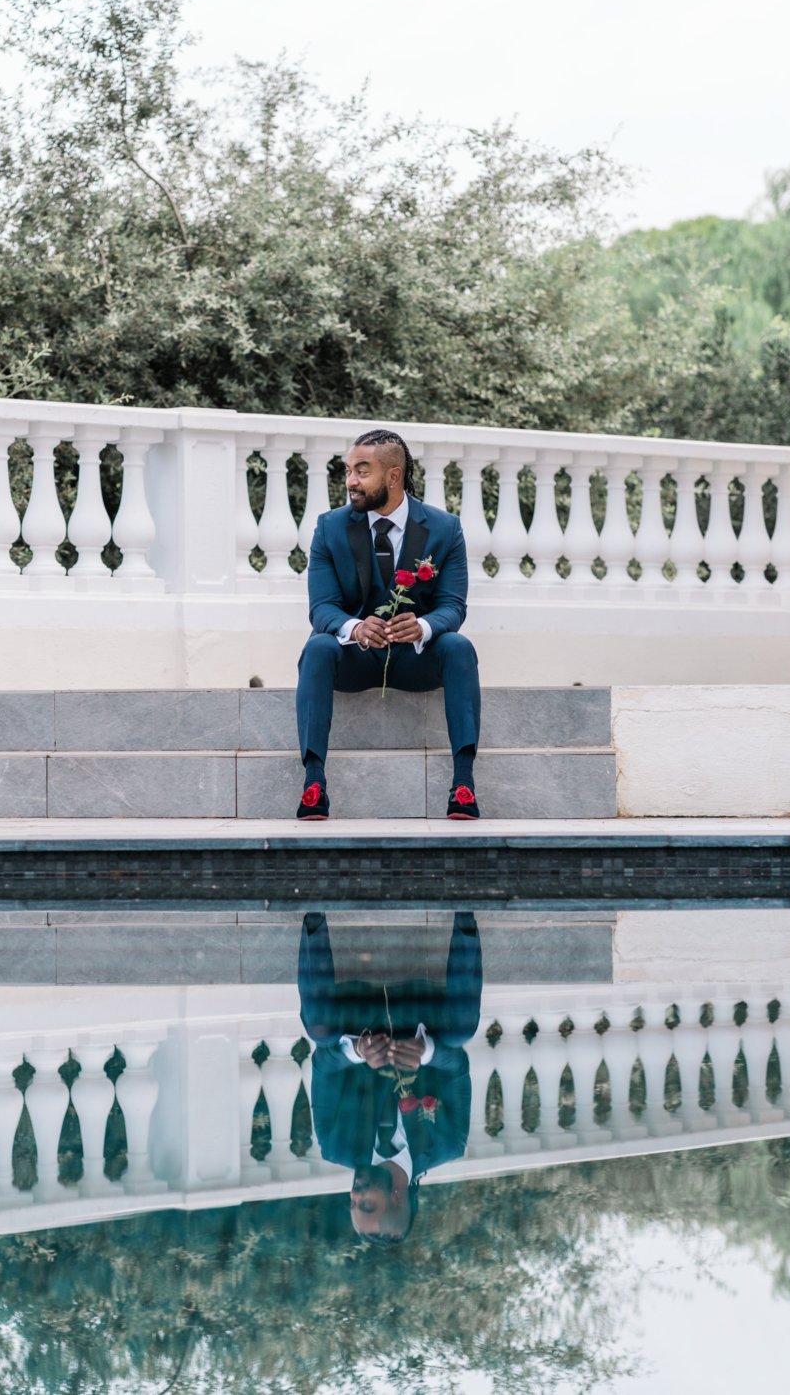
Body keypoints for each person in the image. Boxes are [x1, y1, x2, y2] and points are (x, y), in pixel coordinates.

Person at [296, 427, 481, 820]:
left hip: (416, 660)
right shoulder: (329, 527)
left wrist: (425, 627)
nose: (350, 481)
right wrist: (355, 628)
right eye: (348, 470)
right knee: (317, 646)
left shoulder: (445, 529)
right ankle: (314, 784)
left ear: (393, 476)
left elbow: (453, 606)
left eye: (362, 471)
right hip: (355, 659)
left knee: (458, 647)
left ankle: (463, 784)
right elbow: (322, 608)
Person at [298, 912, 483, 1246]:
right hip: (418, 1016)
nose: (355, 1194)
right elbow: (457, 1068)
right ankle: (466, 911)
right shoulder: (447, 1144)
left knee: (319, 1031)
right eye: (366, 1203)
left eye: (352, 1203)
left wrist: (356, 1050)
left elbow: (323, 1066)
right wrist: (426, 1052)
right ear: (397, 1198)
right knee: (461, 1031)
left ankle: (313, 913)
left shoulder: (333, 1145)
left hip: (359, 1017)